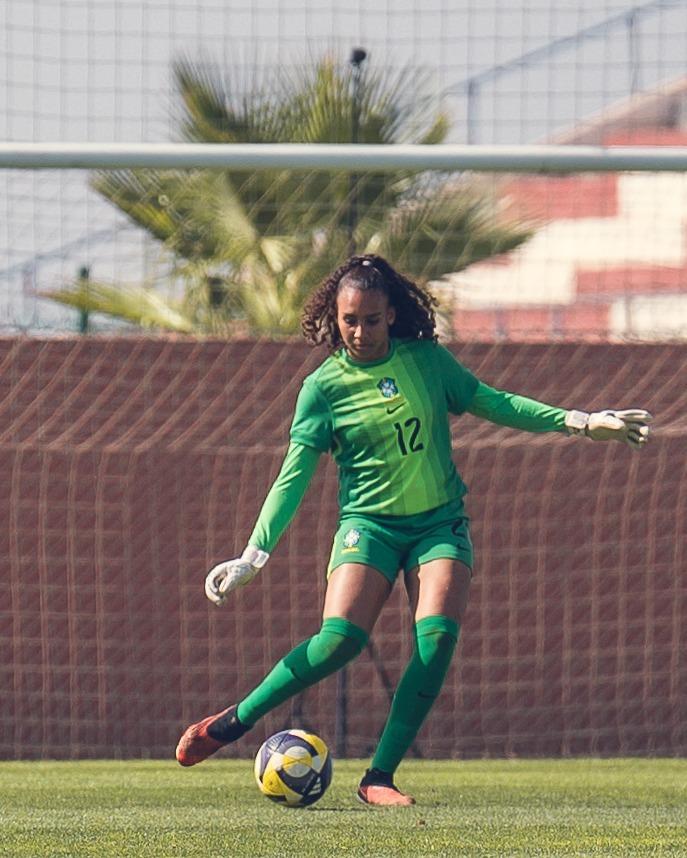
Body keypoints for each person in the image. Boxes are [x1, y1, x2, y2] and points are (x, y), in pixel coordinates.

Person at [176, 254, 652, 806]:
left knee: (437, 641)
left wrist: (580, 421)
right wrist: (253, 555)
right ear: (336, 318)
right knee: (339, 642)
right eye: (349, 320)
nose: (360, 331)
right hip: (369, 527)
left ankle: (378, 776)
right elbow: (294, 476)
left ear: (392, 315)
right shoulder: (323, 389)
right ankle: (234, 723)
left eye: (372, 320)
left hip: (439, 524)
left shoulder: (426, 361)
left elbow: (492, 401)